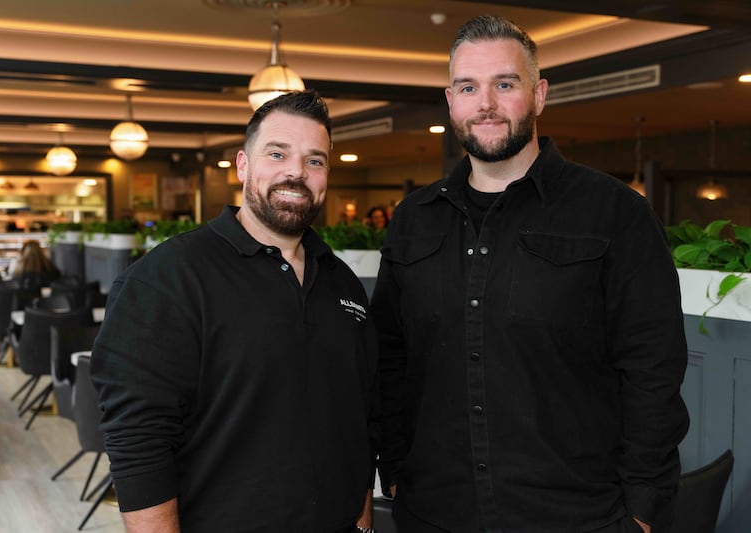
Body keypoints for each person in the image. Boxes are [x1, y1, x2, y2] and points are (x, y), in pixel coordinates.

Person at [371, 15, 689, 533]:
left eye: (505, 83)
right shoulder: (413, 219)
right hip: (435, 510)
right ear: (450, 101)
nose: (486, 104)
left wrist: (642, 510)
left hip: (580, 516)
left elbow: (654, 367)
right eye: (468, 87)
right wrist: (395, 465)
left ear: (539, 95)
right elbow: (390, 357)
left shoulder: (614, 212)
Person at [90, 90, 378, 533]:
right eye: (277, 153)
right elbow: (139, 442)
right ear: (243, 166)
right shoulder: (166, 278)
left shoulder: (343, 284)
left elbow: (357, 416)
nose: (296, 172)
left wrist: (362, 521)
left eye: (315, 160)